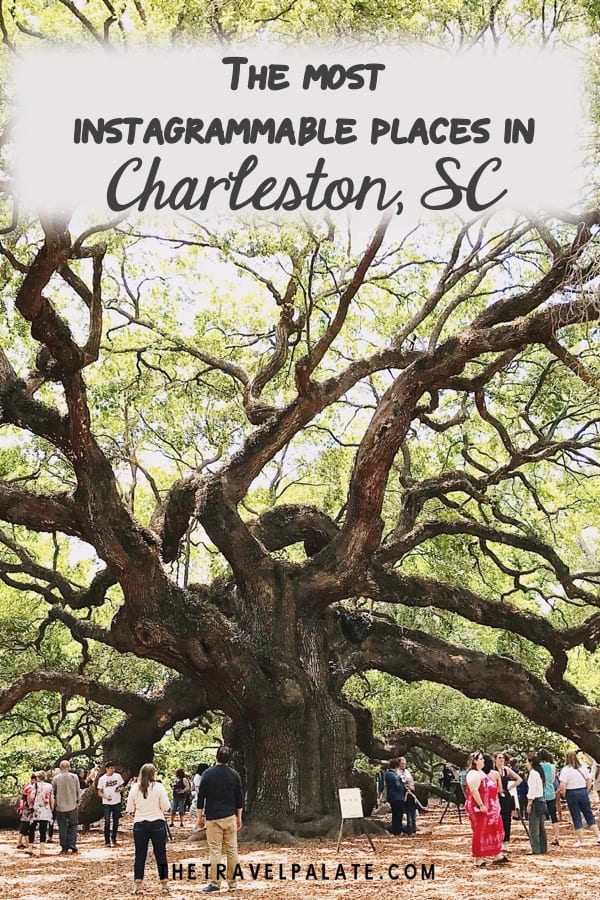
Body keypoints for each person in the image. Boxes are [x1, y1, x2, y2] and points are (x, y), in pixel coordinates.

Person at [196, 746, 244, 894]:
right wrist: (239, 817)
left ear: (216, 757)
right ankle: (233, 883)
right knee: (232, 850)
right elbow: (239, 799)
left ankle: (215, 883)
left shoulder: (207, 774)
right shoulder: (234, 775)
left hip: (213, 818)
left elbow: (200, 798)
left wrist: (200, 818)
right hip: (230, 816)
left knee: (215, 851)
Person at [126, 763, 171, 895]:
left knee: (140, 855)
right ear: (153, 774)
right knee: (161, 854)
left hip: (140, 824)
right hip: (157, 822)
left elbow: (130, 808)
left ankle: (137, 885)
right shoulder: (159, 787)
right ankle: (164, 884)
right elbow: (166, 806)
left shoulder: (135, 788)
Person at [464, 750, 507, 866]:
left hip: (492, 809)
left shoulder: (481, 773)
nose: (483, 761)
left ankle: (497, 854)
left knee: (493, 830)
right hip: (479, 808)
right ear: (475, 761)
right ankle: (478, 858)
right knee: (480, 831)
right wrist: (481, 805)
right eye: (481, 759)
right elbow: (474, 790)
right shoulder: (473, 774)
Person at [558, 749, 600, 847]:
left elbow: (563, 785)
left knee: (576, 815)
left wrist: (563, 794)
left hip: (571, 793)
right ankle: (598, 836)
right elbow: (589, 781)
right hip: (583, 792)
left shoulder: (565, 770)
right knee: (588, 814)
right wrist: (586, 791)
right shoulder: (583, 768)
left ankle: (581, 840)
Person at [493, 751, 521, 850]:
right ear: (495, 759)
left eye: (503, 758)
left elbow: (519, 779)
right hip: (496, 796)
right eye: (499, 758)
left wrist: (511, 787)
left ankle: (505, 842)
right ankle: (497, 840)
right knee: (496, 818)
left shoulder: (507, 770)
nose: (501, 760)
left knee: (507, 819)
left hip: (506, 795)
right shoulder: (493, 771)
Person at [52, 760, 81, 855]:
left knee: (62, 827)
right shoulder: (74, 777)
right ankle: (72, 844)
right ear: (69, 767)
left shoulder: (56, 779)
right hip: (72, 804)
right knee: (73, 825)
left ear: (60, 768)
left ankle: (64, 847)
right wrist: (78, 800)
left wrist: (54, 804)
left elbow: (53, 793)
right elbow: (78, 790)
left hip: (60, 806)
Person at [97, 761, 125, 847]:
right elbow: (99, 792)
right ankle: (107, 841)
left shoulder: (118, 776)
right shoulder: (102, 779)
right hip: (107, 803)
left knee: (116, 821)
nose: (113, 770)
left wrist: (120, 789)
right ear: (107, 769)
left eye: (113, 768)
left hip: (117, 801)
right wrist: (105, 797)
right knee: (107, 821)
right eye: (111, 768)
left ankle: (114, 838)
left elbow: (122, 786)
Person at [538, 748, 560, 846]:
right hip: (551, 791)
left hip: (541, 792)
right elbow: (553, 779)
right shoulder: (552, 766)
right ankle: (556, 837)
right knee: (553, 815)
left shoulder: (538, 766)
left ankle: (541, 836)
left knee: (540, 815)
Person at [526, 755, 547, 854]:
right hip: (541, 800)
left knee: (534, 827)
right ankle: (543, 847)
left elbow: (532, 789)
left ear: (531, 763)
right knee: (541, 826)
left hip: (535, 801)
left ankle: (536, 849)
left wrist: (529, 803)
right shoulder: (539, 773)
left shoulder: (533, 774)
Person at [30, 771, 54, 853]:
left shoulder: (35, 785)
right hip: (45, 809)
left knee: (32, 828)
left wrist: (30, 804)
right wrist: (52, 807)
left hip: (36, 809)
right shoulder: (49, 786)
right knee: (43, 829)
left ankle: (30, 848)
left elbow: (32, 797)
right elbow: (51, 798)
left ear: (38, 777)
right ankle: (42, 849)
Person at [16, 774, 37, 853]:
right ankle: (21, 843)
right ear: (33, 779)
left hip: (24, 808)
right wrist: (31, 807)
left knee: (25, 826)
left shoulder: (27, 786)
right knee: (26, 825)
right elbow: (28, 798)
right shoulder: (30, 787)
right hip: (27, 808)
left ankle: (24, 843)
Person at [384, 759, 406, 835]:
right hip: (398, 797)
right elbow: (398, 786)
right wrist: (403, 786)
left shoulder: (387, 774)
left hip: (391, 797)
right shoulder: (394, 775)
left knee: (395, 814)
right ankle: (398, 830)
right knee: (399, 814)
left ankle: (395, 830)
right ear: (396, 766)